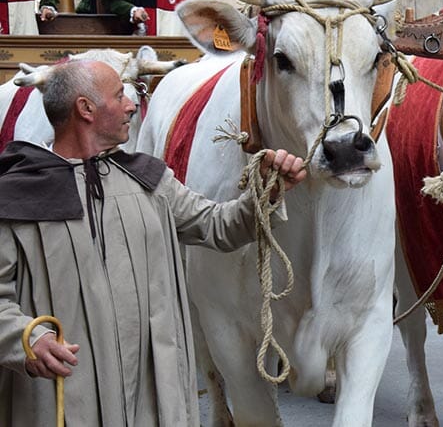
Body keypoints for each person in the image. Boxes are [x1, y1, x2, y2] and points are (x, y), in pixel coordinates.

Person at [0, 60, 307, 426]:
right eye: (119, 96)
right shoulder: (15, 197)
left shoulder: (149, 180)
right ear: (85, 109)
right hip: (64, 395)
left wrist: (266, 193)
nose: (132, 104)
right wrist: (26, 339)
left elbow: (218, 226)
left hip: (149, 392)